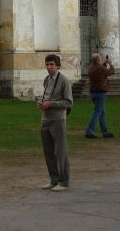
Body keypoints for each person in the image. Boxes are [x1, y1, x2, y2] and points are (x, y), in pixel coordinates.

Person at [37, 53, 73, 192]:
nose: (49, 67)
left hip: (58, 119)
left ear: (58, 66)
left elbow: (68, 102)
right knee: (48, 151)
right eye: (47, 64)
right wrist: (41, 102)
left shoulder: (64, 81)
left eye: (52, 64)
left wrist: (51, 104)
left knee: (61, 151)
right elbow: (46, 96)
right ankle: (54, 179)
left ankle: (64, 181)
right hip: (45, 118)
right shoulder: (47, 79)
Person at [85, 53, 115, 138]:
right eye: (100, 58)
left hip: (93, 92)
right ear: (98, 59)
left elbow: (100, 69)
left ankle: (105, 132)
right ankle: (89, 131)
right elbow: (111, 72)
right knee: (97, 112)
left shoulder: (91, 68)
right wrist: (110, 64)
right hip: (100, 92)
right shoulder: (101, 68)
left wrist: (104, 63)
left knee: (102, 113)